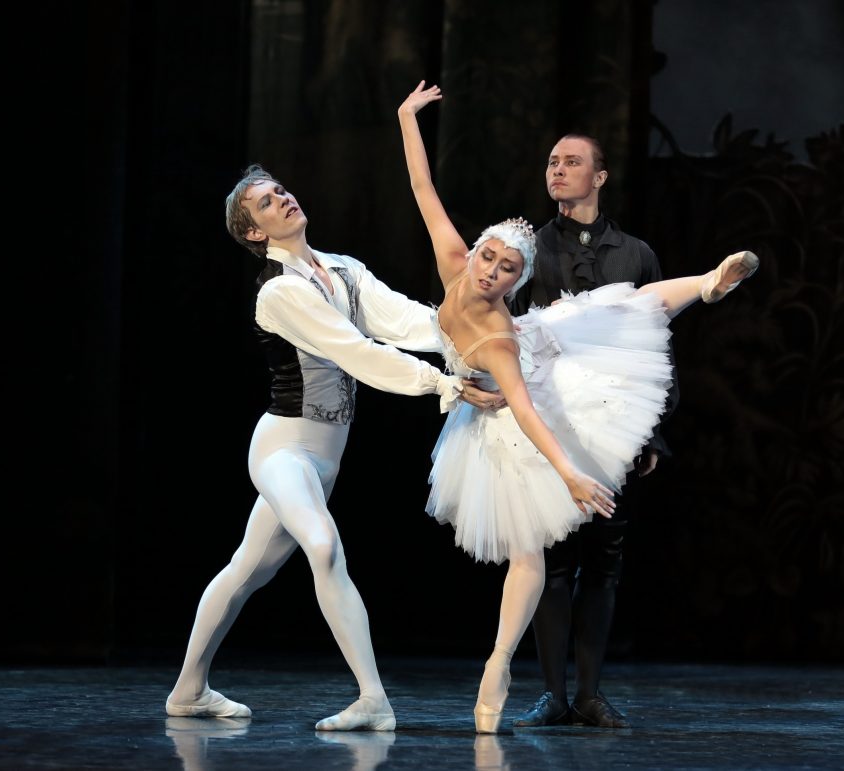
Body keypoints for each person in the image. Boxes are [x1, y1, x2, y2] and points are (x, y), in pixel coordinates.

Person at [397, 81, 758, 733]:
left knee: (624, 306)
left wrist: (629, 444)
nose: (492, 271)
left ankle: (706, 283)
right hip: (523, 399)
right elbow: (424, 191)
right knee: (539, 558)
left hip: (568, 379)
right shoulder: (479, 267)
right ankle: (533, 682)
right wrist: (405, 118)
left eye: (507, 268)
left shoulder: (599, 269)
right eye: (490, 259)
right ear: (476, 253)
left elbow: (637, 348)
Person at [165, 164, 475, 731]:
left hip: (325, 460)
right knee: (323, 545)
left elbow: (404, 321)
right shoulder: (281, 291)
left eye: (281, 190)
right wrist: (439, 384)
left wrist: (466, 334)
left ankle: (189, 690)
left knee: (244, 570)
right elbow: (354, 351)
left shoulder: (343, 270)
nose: (282, 199)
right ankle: (373, 699)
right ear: (254, 233)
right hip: (283, 449)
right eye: (265, 203)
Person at [509, 133, 687, 728]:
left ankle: (590, 692)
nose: (557, 171)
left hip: (614, 433)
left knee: (604, 564)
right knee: (551, 563)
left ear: (600, 176)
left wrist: (652, 434)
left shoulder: (634, 254)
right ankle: (552, 695)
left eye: (572, 162)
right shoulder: (528, 250)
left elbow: (657, 352)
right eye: (552, 161)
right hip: (551, 429)